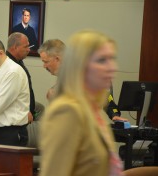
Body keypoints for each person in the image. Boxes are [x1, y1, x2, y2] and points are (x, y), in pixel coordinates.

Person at [40, 30, 123, 176]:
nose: (112, 67)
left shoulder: (91, 109)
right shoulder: (67, 110)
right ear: (82, 65)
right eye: (102, 60)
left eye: (112, 59)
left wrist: (114, 114)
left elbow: (109, 101)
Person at [6, 32, 35, 123]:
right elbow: (9, 97)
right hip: (17, 118)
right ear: (15, 47)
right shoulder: (8, 66)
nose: (28, 50)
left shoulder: (18, 61)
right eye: (25, 47)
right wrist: (24, 113)